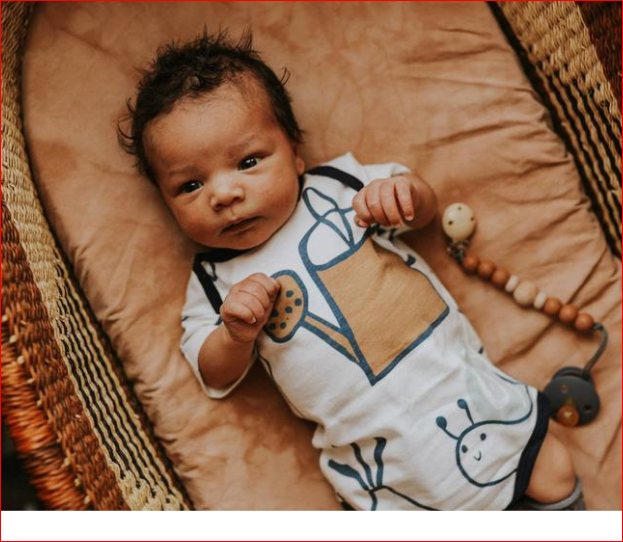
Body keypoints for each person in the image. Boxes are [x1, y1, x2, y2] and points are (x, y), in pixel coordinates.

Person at [118, 30, 583, 511]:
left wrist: (402, 195)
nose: (223, 194)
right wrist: (234, 335)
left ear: (295, 152)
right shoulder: (215, 282)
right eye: (190, 185)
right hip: (380, 460)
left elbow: (423, 210)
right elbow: (213, 374)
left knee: (551, 470)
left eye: (249, 161)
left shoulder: (339, 186)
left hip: (461, 394)